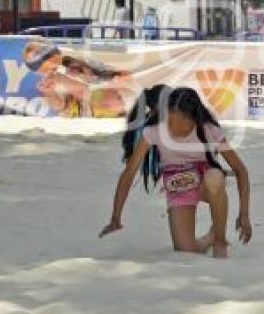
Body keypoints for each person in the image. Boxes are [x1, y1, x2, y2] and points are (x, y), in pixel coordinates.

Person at [99, 87, 252, 259]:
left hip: (205, 182)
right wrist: (115, 217)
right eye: (168, 121)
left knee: (215, 178)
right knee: (186, 250)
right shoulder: (155, 130)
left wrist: (244, 214)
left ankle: (220, 240)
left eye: (178, 124)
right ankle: (211, 236)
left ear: (193, 120)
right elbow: (129, 173)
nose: (171, 129)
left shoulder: (208, 130)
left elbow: (240, 170)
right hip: (178, 186)